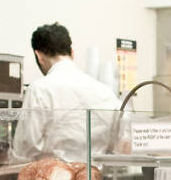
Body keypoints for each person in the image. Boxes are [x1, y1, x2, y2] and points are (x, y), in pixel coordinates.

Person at [11, 22, 121, 161]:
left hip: (53, 179)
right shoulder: (105, 92)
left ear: (38, 55)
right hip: (94, 179)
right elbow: (116, 143)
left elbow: (25, 148)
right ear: (72, 53)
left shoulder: (39, 89)